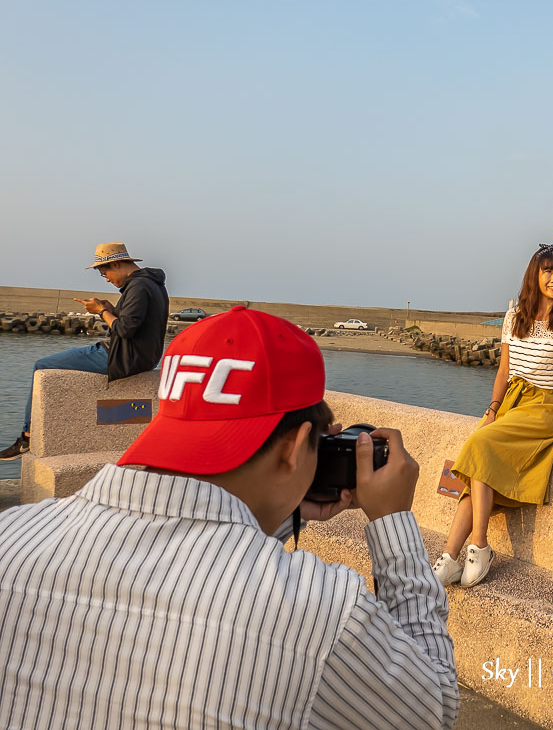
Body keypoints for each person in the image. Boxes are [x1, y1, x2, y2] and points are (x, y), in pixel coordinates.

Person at [0, 307, 459, 729]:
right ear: (298, 446)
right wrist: (392, 523)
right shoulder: (321, 612)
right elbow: (432, 708)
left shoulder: (13, 536)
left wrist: (274, 516)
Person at [433, 243, 553, 589]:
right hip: (512, 402)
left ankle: (480, 546)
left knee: (479, 446)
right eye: (549, 271)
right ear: (534, 275)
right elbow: (504, 369)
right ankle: (450, 557)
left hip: (548, 407)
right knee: (478, 469)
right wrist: (492, 408)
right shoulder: (515, 315)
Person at [1, 242, 169, 460]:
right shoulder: (153, 284)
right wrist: (111, 309)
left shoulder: (138, 287)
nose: (107, 278)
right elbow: (134, 323)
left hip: (121, 357)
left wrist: (100, 311)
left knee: (41, 365)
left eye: (104, 272)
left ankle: (27, 436)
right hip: (143, 357)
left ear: (117, 264)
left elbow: (126, 329)